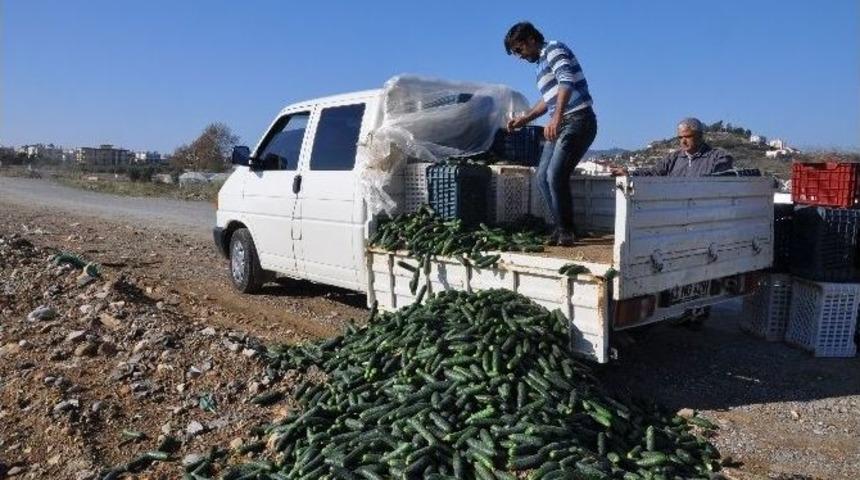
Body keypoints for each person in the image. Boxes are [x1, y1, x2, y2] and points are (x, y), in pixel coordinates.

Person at [504, 22, 597, 246]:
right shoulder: (539, 66)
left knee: (555, 175)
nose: (519, 56)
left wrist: (556, 117)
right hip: (561, 123)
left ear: (531, 40)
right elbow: (549, 100)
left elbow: (567, 81)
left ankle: (566, 230)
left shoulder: (553, 49)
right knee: (542, 177)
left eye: (519, 49)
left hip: (577, 119)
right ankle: (562, 227)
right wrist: (525, 119)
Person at [610, 118, 733, 176]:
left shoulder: (718, 157)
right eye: (680, 137)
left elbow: (719, 180)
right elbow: (653, 172)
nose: (683, 141)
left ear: (700, 136)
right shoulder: (673, 158)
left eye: (687, 136)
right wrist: (630, 174)